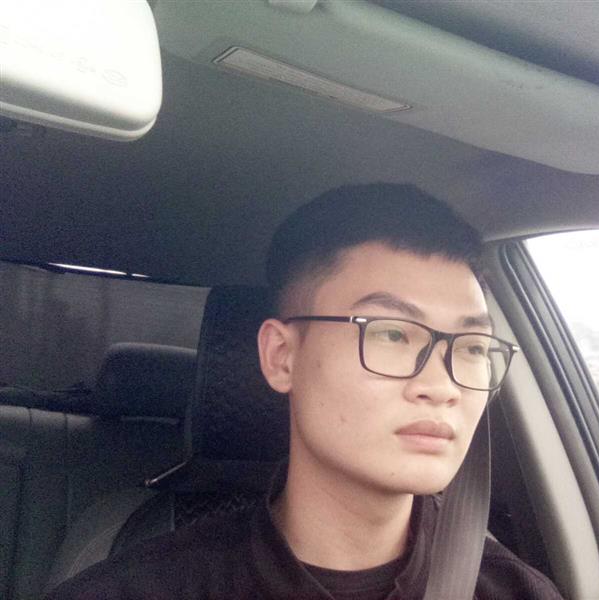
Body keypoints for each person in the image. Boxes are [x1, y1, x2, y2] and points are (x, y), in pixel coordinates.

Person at [46, 184, 564, 599]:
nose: (442, 386)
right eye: (390, 335)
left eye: (472, 347)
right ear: (281, 357)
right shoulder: (137, 589)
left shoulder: (517, 591)